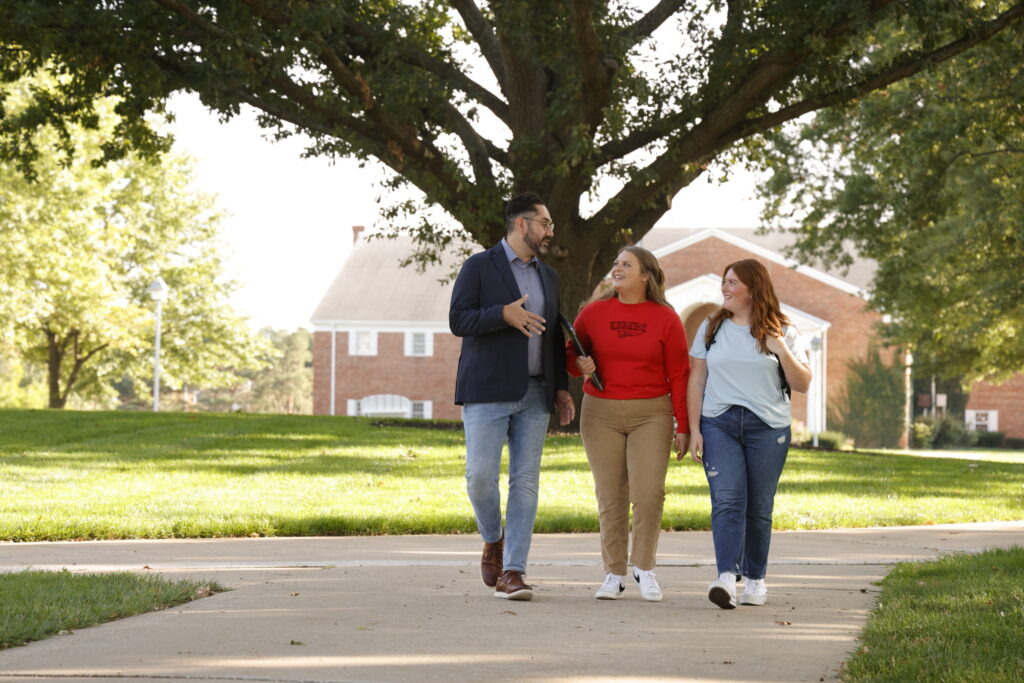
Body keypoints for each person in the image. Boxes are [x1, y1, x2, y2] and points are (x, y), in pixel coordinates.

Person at [449, 192, 575, 601]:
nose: (550, 231)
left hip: (536, 394)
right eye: (545, 223)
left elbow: (554, 336)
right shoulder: (479, 266)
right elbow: (458, 319)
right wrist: (502, 314)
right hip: (486, 391)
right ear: (521, 224)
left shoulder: (549, 276)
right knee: (480, 476)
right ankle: (493, 537)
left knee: (525, 482)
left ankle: (514, 571)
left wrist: (561, 389)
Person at [566, 246, 690, 602]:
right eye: (616, 262)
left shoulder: (666, 317)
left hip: (652, 412)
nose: (617, 268)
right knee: (610, 495)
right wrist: (580, 366)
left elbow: (680, 373)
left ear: (646, 275)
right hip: (600, 412)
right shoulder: (593, 312)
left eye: (626, 264)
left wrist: (682, 423)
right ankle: (614, 573)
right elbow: (570, 354)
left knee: (649, 494)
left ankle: (644, 568)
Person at [687, 258, 811, 609]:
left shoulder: (784, 329)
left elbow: (802, 383)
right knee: (727, 500)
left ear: (753, 288)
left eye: (731, 283)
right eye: (724, 282)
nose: (724, 288)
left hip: (767, 428)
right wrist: (694, 428)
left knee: (758, 507)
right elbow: (697, 378)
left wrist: (780, 348)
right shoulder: (712, 327)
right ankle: (726, 577)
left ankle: (755, 579)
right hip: (719, 422)